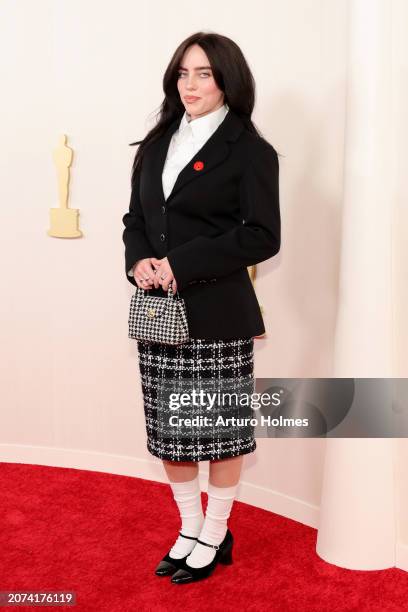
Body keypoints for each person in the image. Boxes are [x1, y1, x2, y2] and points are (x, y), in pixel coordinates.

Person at [122, 31, 281, 585]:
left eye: (205, 74)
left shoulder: (250, 150)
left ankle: (216, 532)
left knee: (217, 431)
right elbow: (135, 220)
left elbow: (263, 236)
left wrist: (181, 264)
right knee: (171, 430)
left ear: (227, 81)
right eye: (183, 73)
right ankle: (189, 527)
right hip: (158, 313)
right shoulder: (157, 142)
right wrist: (139, 260)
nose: (191, 85)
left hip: (216, 311)